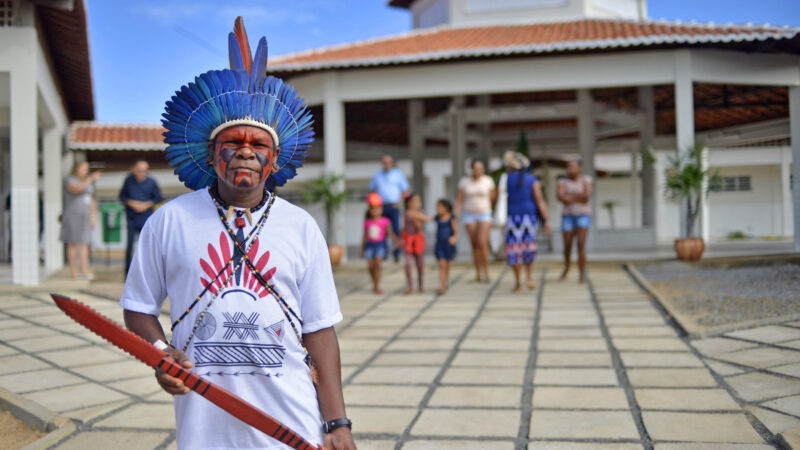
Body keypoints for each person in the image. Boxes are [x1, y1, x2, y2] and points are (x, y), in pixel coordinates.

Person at [119, 18, 355, 450]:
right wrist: (159, 351)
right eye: (233, 141)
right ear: (211, 154)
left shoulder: (301, 227)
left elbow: (319, 331)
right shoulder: (168, 222)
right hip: (205, 429)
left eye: (258, 144)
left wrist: (337, 422)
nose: (246, 149)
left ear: (275, 158)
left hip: (293, 424)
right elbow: (137, 306)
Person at [502, 151, 551, 293]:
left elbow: (494, 199)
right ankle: (529, 277)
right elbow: (539, 200)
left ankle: (518, 283)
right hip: (529, 218)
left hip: (511, 218)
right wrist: (546, 220)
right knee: (528, 248)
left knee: (514, 250)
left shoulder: (504, 180)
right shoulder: (532, 180)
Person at [119, 159, 163, 276]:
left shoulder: (151, 182)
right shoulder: (128, 181)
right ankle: (127, 273)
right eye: (139, 171)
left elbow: (158, 198)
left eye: (144, 171)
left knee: (147, 246)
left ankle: (147, 273)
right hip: (132, 217)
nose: (142, 173)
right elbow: (122, 197)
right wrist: (132, 203)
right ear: (133, 169)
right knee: (129, 246)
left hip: (146, 217)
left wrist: (146, 204)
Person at [454, 159, 496, 282]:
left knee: (482, 242)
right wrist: (455, 214)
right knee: (475, 245)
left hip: (484, 214)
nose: (477, 171)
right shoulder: (464, 182)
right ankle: (478, 273)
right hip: (469, 215)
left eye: (480, 168)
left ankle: (486, 271)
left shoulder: (488, 181)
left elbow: (493, 198)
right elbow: (459, 199)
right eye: (475, 168)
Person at [61, 161, 101, 280]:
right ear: (76, 169)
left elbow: (91, 200)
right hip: (73, 215)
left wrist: (93, 217)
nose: (86, 171)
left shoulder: (88, 183)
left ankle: (84, 270)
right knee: (73, 243)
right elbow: (77, 189)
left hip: (86, 216)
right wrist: (90, 179)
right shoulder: (69, 180)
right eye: (83, 168)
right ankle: (73, 272)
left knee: (85, 243)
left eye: (87, 169)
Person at [558, 159, 593, 284]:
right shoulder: (562, 181)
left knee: (580, 244)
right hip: (567, 216)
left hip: (583, 215)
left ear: (580, 168)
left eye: (573, 167)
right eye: (569, 167)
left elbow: (587, 196)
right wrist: (579, 196)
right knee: (567, 246)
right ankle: (566, 267)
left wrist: (570, 195)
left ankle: (582, 274)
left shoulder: (586, 180)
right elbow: (560, 197)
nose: (571, 169)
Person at [368, 155, 409, 262]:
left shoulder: (398, 174)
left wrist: (400, 203)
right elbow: (372, 190)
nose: (386, 164)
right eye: (384, 162)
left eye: (388, 162)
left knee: (395, 229)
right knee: (382, 230)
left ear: (392, 163)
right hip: (381, 207)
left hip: (394, 206)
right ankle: (383, 253)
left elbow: (405, 191)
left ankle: (396, 254)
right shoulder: (377, 175)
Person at [360, 193, 400, 295]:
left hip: (380, 246)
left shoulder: (384, 221)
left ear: (381, 210)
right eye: (373, 209)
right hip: (370, 246)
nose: (375, 211)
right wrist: (362, 248)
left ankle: (377, 285)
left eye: (378, 209)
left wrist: (397, 240)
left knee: (378, 264)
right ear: (369, 210)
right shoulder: (367, 222)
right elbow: (364, 236)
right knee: (370, 266)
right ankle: (374, 281)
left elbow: (389, 233)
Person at [403, 193, 432, 294]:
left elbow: (420, 227)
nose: (416, 204)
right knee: (407, 264)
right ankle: (410, 286)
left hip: (418, 240)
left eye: (418, 201)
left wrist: (418, 218)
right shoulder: (406, 213)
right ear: (408, 203)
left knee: (420, 264)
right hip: (408, 241)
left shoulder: (420, 213)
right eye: (414, 201)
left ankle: (420, 285)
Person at [434, 199, 458, 295]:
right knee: (442, 265)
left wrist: (454, 238)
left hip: (447, 245)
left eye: (440, 207)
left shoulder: (451, 219)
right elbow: (425, 218)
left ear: (446, 208)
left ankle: (444, 283)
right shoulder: (437, 218)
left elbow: (456, 231)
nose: (438, 210)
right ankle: (442, 285)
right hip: (439, 245)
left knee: (446, 266)